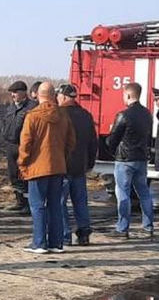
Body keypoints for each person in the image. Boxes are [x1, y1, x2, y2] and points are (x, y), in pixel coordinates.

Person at [18, 82, 75, 253]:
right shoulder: (64, 116)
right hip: (57, 167)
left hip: (37, 167)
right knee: (55, 205)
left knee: (37, 206)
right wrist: (62, 158)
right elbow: (71, 142)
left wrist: (22, 163)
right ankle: (56, 243)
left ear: (38, 95)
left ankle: (39, 242)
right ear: (53, 95)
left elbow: (25, 144)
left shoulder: (33, 116)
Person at [105, 82, 154, 239]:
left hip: (125, 160)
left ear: (128, 95)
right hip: (141, 159)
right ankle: (148, 227)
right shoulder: (147, 114)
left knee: (123, 193)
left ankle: (122, 228)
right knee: (144, 193)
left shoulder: (123, 115)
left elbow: (112, 140)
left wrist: (109, 144)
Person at [56, 84, 97, 246]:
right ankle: (84, 234)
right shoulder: (86, 115)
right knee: (80, 203)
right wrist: (90, 163)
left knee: (60, 202)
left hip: (62, 166)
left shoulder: (59, 115)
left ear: (64, 97)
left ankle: (65, 235)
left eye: (59, 96)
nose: (57, 98)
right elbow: (93, 142)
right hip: (80, 166)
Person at [1, 81, 37, 212]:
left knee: (25, 176)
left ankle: (29, 204)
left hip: (24, 146)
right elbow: (5, 123)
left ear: (23, 93)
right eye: (11, 93)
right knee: (13, 175)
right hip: (11, 145)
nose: (13, 95)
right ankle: (20, 201)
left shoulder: (32, 107)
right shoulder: (11, 108)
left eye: (15, 92)